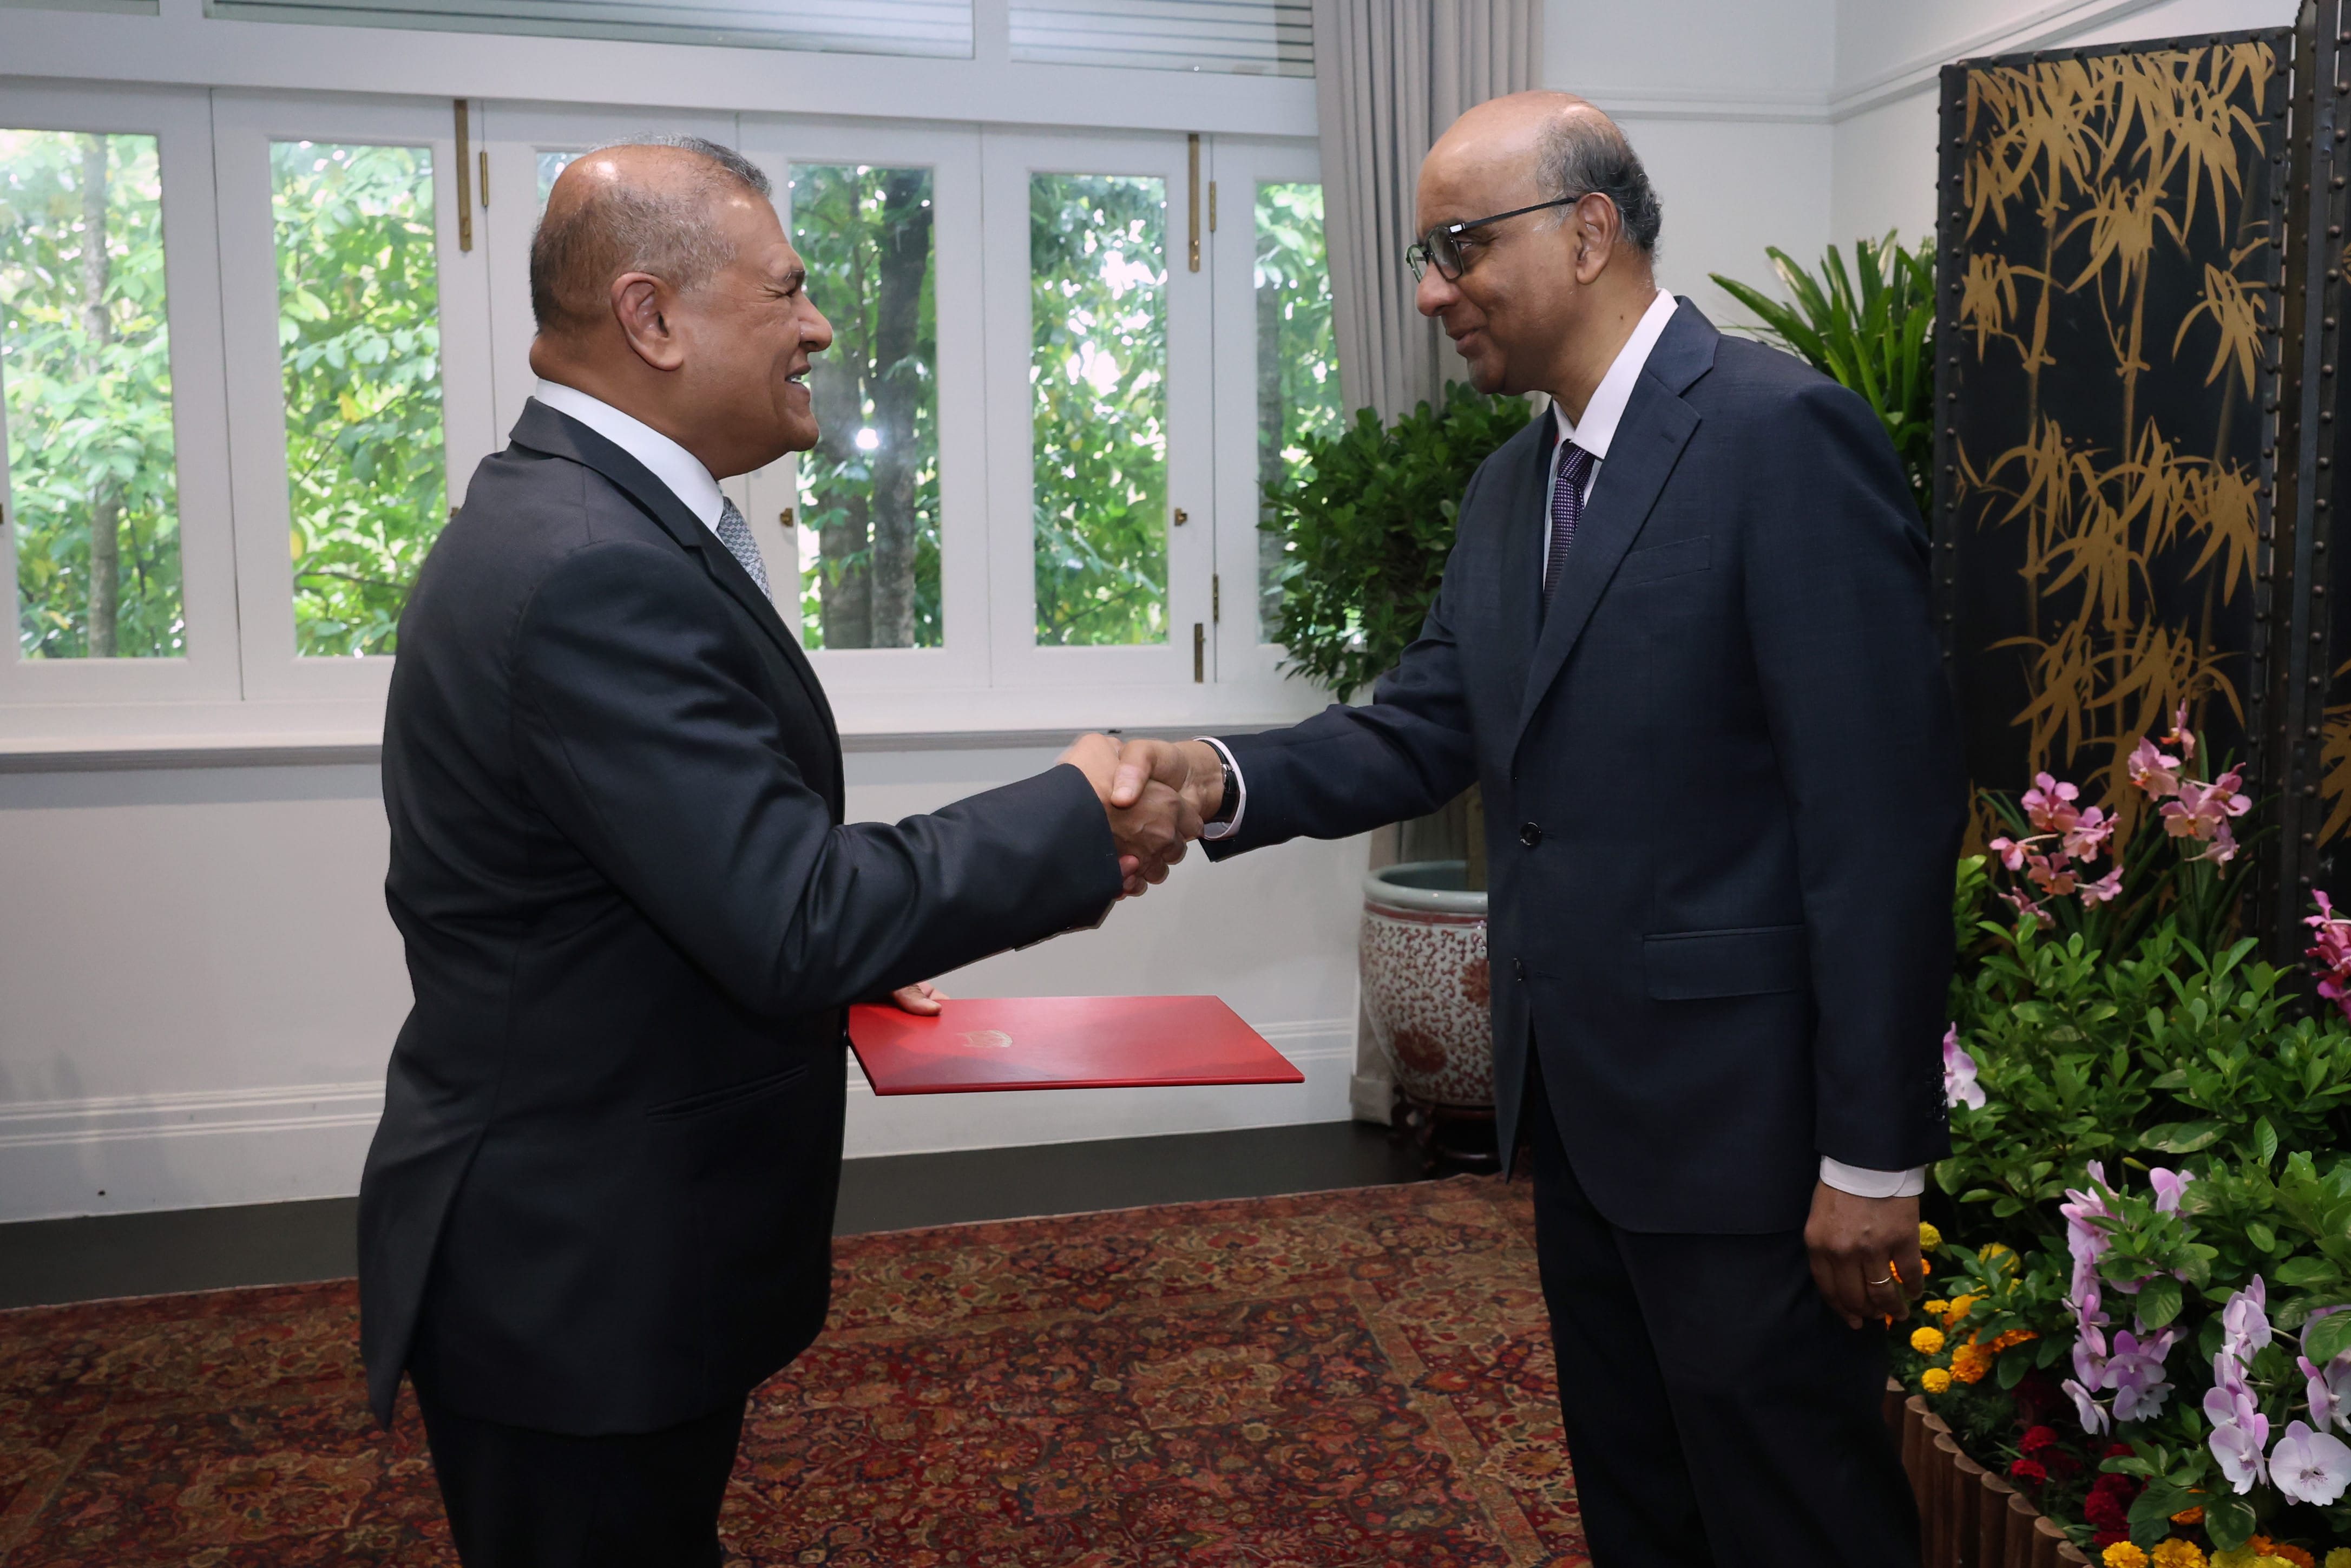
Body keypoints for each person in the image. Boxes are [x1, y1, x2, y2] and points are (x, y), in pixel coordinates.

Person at [1112, 93, 1963, 1567]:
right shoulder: (1513, 486)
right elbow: (1424, 727)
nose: (1433, 289)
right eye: (1421, 256)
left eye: (1458, 246)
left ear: (1589, 233)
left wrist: (1875, 1160)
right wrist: (1214, 778)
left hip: (1753, 1138)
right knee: (1642, 1504)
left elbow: (1879, 823)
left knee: (1797, 1515)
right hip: (1575, 1119)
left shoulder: (1781, 435)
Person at [357, 136, 1193, 1568]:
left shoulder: (596, 521)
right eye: (790, 290)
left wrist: (848, 972)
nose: (819, 326)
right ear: (653, 317)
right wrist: (1071, 809)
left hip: (608, 1245)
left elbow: (688, 879)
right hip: (577, 1280)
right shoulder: (587, 568)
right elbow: (790, 910)